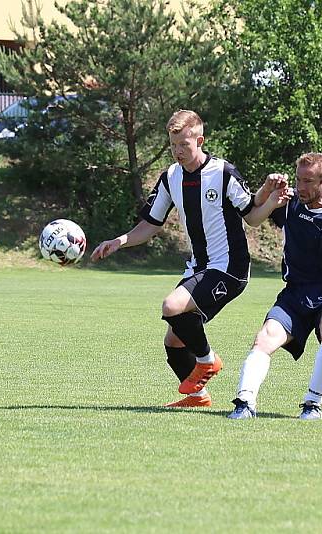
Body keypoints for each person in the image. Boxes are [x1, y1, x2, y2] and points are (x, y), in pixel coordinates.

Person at [91, 110, 283, 408]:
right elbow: (150, 225)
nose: (178, 151)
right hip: (200, 266)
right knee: (174, 340)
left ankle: (208, 362)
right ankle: (197, 396)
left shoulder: (223, 173)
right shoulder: (170, 177)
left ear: (200, 140)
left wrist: (270, 201)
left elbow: (253, 217)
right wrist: (120, 241)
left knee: (171, 305)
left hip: (229, 267)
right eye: (173, 146)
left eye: (184, 144)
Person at [228, 152, 322, 420]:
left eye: (308, 181)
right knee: (265, 338)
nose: (300, 187)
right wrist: (267, 188)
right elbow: (253, 215)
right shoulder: (290, 204)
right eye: (298, 179)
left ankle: (313, 404)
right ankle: (244, 403)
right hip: (294, 294)